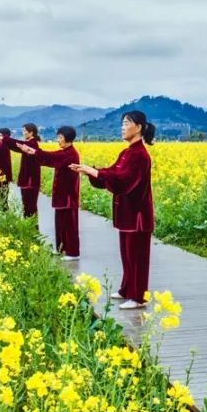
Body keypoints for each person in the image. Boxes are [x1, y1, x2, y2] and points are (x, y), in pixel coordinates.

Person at [71, 111, 155, 309]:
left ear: (139, 127)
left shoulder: (140, 155)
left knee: (137, 258)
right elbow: (113, 172)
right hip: (127, 214)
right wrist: (91, 171)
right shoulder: (126, 152)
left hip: (138, 217)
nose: (123, 127)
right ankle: (127, 290)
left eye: (127, 123)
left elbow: (124, 182)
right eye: (122, 123)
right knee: (127, 255)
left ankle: (138, 297)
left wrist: (95, 172)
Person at [16, 126, 80, 260]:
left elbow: (51, 157)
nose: (58, 140)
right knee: (60, 223)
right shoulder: (65, 151)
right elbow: (52, 156)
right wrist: (34, 152)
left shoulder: (69, 154)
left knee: (69, 225)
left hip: (68, 196)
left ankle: (72, 252)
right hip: (62, 195)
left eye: (60, 137)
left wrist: (34, 152)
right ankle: (62, 249)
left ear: (68, 139)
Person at [4, 123, 42, 218]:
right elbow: (17, 146)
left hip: (30, 181)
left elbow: (18, 144)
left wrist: (4, 138)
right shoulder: (29, 143)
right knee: (28, 205)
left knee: (30, 206)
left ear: (31, 132)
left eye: (25, 131)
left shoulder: (32, 144)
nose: (23, 133)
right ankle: (30, 228)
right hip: (28, 180)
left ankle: (32, 229)